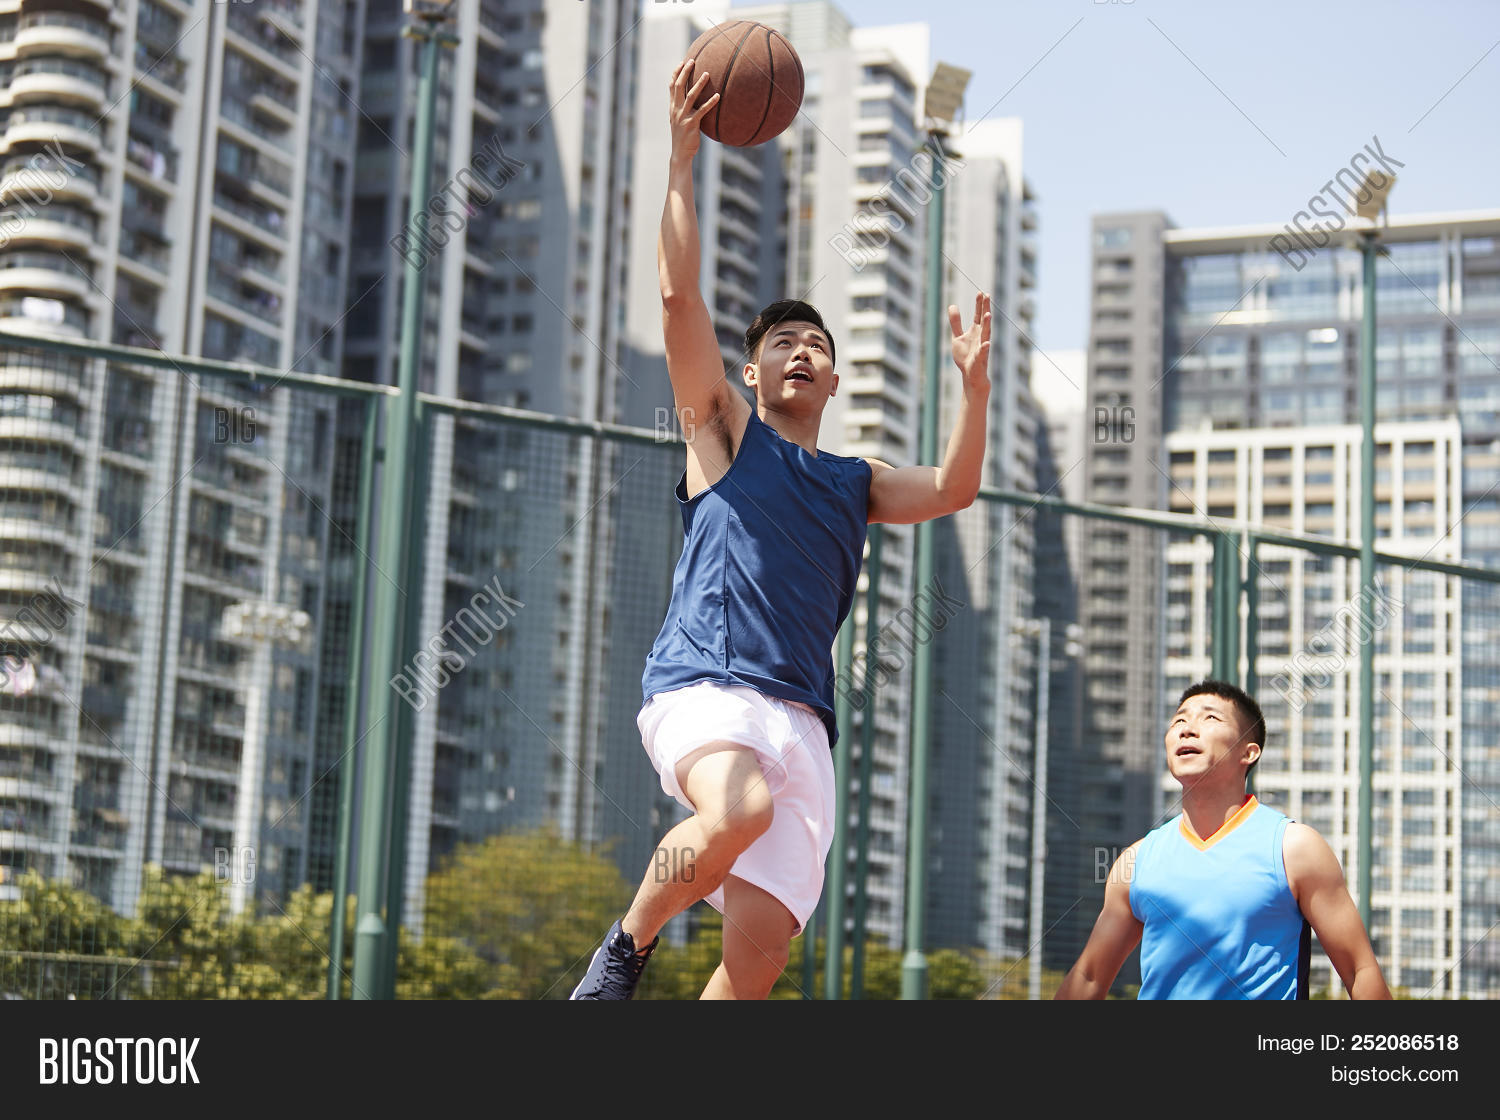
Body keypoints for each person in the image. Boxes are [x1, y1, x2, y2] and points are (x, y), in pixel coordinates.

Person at [571, 57, 993, 999]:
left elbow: (955, 488)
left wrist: (974, 391)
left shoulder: (854, 481)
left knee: (758, 957)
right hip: (707, 684)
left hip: (803, 716)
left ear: (834, 382)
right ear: (753, 374)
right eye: (782, 344)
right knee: (736, 811)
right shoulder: (723, 433)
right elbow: (679, 300)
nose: (801, 351)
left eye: (817, 346)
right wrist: (681, 163)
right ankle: (621, 955)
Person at [1055, 680, 1391, 1000]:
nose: (1187, 729)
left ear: (1249, 752)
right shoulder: (1136, 861)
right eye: (1179, 720)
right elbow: (1089, 977)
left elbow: (1359, 970)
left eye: (1210, 718)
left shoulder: (1294, 847)